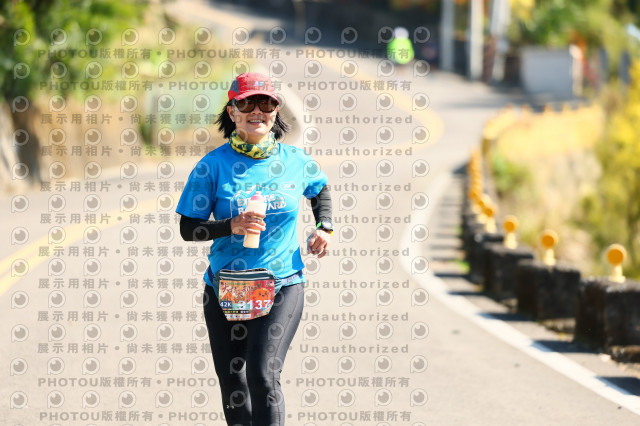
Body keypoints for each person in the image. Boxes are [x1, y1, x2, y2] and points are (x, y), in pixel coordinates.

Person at [175, 72, 333, 426]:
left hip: (282, 284)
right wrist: (231, 225)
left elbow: (320, 189)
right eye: (246, 104)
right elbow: (188, 228)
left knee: (263, 374)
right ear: (232, 111)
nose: (256, 111)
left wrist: (324, 227)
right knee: (234, 383)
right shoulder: (212, 166)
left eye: (266, 104)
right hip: (226, 288)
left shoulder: (296, 161)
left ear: (276, 111)